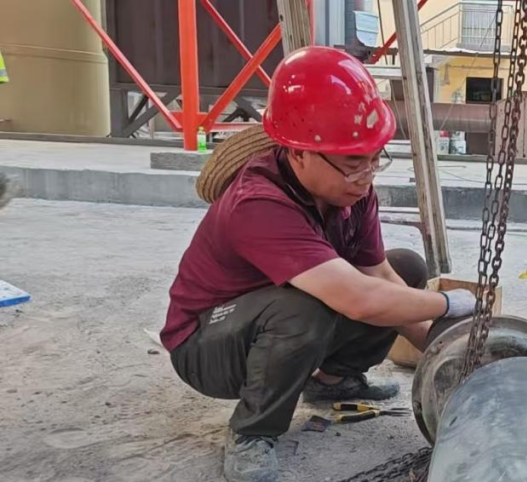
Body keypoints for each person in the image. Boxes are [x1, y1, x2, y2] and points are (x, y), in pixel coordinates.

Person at [161, 46, 476, 482]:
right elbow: (359, 300)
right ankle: (252, 431)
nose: (367, 175)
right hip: (207, 343)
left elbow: (380, 279)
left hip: (273, 317)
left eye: (375, 158)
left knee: (405, 270)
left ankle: (333, 380)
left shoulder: (353, 192)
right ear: (299, 153)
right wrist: (450, 305)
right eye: (353, 163)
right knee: (305, 310)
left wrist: (456, 354)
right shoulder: (258, 204)